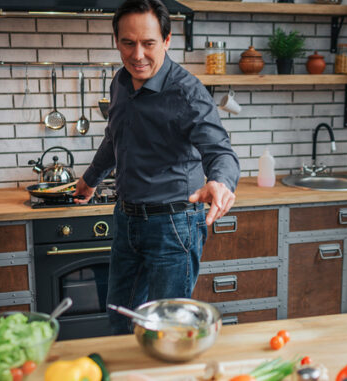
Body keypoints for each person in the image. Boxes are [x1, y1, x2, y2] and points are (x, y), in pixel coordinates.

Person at [73, 0, 240, 334]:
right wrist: (91, 179)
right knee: (121, 321)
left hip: (174, 225)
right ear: (116, 41)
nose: (137, 55)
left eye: (148, 43)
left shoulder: (187, 92)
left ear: (166, 40)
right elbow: (115, 137)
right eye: (128, 43)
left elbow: (220, 150)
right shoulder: (120, 81)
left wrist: (220, 182)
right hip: (127, 219)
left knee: (168, 329)